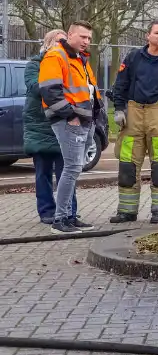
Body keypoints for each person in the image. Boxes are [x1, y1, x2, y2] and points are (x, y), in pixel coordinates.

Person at [109, 21, 158, 225]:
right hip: (134, 113)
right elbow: (121, 84)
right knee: (127, 164)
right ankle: (127, 211)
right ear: (148, 36)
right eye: (157, 32)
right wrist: (119, 109)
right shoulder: (134, 57)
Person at [38, 21, 101, 235]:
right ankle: (60, 219)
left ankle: (69, 216)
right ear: (70, 34)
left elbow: (88, 89)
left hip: (85, 119)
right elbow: (49, 90)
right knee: (72, 168)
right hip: (72, 120)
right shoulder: (56, 56)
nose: (86, 42)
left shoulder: (79, 58)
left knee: (74, 169)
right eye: (83, 37)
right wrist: (70, 115)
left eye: (89, 38)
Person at [24, 29, 83, 230]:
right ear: (48, 43)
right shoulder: (35, 64)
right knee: (43, 172)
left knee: (67, 170)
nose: (62, 45)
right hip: (41, 125)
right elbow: (35, 88)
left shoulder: (70, 62)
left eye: (64, 41)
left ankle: (69, 212)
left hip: (63, 120)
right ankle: (47, 212)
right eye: (58, 42)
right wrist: (54, 82)